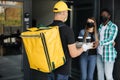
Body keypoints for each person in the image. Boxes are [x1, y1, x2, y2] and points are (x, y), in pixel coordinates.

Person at [48, 1, 93, 80]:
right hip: (62, 71)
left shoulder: (47, 28)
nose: (67, 14)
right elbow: (73, 54)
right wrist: (84, 47)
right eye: (67, 12)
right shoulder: (67, 30)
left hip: (50, 69)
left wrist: (74, 44)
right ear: (64, 13)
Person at [97, 9, 118, 80]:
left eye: (105, 15)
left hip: (108, 55)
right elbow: (99, 38)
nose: (103, 16)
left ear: (109, 16)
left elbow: (111, 39)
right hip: (99, 53)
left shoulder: (113, 26)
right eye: (102, 15)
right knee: (100, 74)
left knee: (108, 76)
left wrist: (99, 42)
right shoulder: (100, 26)